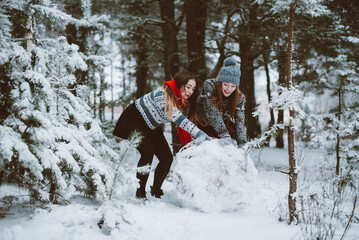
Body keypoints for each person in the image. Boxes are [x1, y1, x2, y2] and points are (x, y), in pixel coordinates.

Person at [113, 71, 211, 199]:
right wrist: (198, 133)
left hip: (151, 124)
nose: (190, 91)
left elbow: (182, 122)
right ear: (180, 84)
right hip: (133, 119)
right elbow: (178, 118)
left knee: (166, 157)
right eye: (188, 87)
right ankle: (140, 192)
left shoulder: (179, 101)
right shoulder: (162, 94)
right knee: (147, 153)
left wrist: (195, 136)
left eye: (193, 88)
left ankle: (156, 190)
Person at [197, 57, 247, 147]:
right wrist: (224, 134)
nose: (229, 89)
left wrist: (242, 142)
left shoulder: (239, 97)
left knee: (234, 140)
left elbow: (240, 121)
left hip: (220, 124)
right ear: (220, 83)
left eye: (233, 86)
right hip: (200, 122)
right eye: (225, 84)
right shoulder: (210, 86)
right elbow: (212, 112)